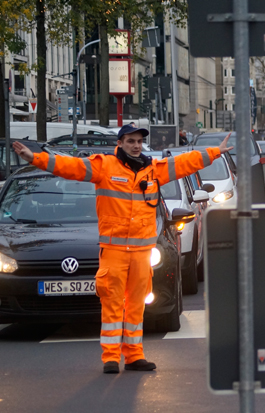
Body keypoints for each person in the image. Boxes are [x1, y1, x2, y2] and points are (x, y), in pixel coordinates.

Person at [12, 126, 231, 373]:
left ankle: (135, 355)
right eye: (131, 141)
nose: (136, 145)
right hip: (114, 251)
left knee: (137, 306)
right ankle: (111, 358)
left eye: (139, 141)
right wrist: (35, 158)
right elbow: (69, 166)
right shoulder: (104, 166)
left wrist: (214, 152)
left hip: (141, 253)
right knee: (113, 305)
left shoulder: (153, 170)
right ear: (120, 143)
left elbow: (184, 163)